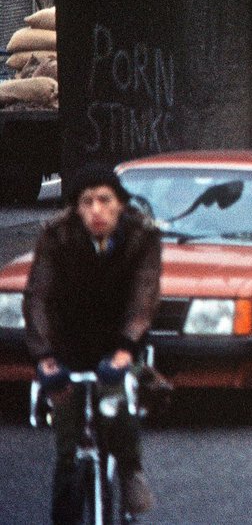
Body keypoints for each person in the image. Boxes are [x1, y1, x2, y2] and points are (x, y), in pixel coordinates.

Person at [24, 164, 162, 521]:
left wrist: (124, 350)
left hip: (118, 341)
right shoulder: (56, 236)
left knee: (115, 406)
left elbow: (143, 297)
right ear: (75, 208)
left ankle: (130, 470)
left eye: (105, 200)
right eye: (86, 202)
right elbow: (38, 297)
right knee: (67, 445)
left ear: (120, 204)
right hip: (68, 342)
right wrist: (45, 357)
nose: (96, 210)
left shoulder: (141, 236)